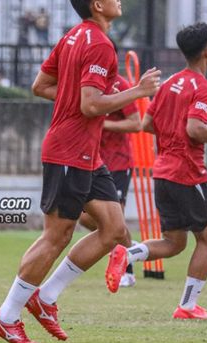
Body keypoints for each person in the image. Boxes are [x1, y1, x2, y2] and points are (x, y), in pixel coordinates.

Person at [0, 0, 161, 343]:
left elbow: (41, 85)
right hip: (69, 150)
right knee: (56, 236)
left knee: (114, 229)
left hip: (87, 153)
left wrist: (76, 98)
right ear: (98, 5)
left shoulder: (72, 37)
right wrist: (137, 91)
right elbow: (90, 104)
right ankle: (6, 317)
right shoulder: (98, 44)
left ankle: (46, 297)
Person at [113, 22, 207, 320]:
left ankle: (126, 254)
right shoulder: (204, 89)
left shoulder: (169, 84)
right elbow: (194, 127)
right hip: (188, 173)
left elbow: (146, 125)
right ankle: (188, 307)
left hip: (162, 173)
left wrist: (169, 139)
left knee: (174, 242)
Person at [79, 40, 142, 288]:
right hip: (92, 161)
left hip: (118, 162)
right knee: (86, 218)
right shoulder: (89, 83)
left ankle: (127, 269)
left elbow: (136, 123)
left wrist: (103, 124)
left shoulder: (120, 85)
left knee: (116, 219)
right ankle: (130, 246)